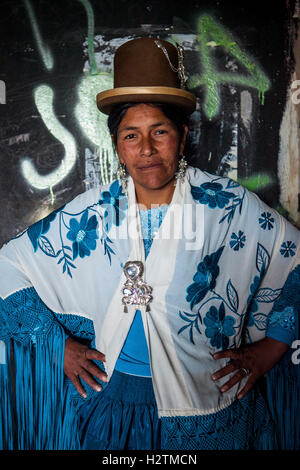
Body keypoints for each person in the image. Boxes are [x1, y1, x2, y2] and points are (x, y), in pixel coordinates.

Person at [0, 37, 299, 451]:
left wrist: (270, 349)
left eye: (159, 132)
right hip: (112, 404)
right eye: (130, 136)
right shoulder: (92, 213)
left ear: (182, 134)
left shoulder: (228, 206)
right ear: (118, 147)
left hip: (205, 404)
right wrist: (56, 346)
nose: (146, 150)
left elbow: (295, 258)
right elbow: (8, 267)